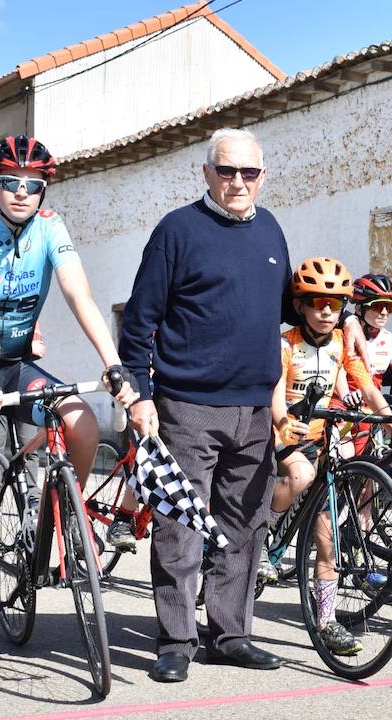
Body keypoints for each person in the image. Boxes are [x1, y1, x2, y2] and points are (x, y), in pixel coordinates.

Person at [0, 134, 133, 675]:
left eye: (33, 185)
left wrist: (112, 362)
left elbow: (78, 295)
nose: (22, 193)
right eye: (10, 183)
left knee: (84, 423)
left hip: (19, 363)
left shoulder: (51, 227)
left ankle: (62, 512)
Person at [120, 126, 288, 684]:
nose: (238, 182)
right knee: (180, 526)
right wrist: (140, 397)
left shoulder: (271, 231)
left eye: (249, 172)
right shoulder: (177, 231)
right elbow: (139, 322)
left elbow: (281, 315)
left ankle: (231, 634)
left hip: (254, 408)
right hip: (186, 403)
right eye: (227, 170)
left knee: (244, 524)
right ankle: (175, 641)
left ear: (263, 174)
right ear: (206, 173)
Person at [266, 257, 387, 655]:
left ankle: (327, 621)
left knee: (328, 542)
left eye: (334, 305)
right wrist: (283, 422)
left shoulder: (340, 342)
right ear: (300, 305)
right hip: (288, 436)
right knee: (299, 477)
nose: (326, 312)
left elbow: (365, 384)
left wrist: (389, 419)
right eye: (317, 303)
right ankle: (264, 534)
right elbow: (276, 390)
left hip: (324, 439)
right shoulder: (286, 343)